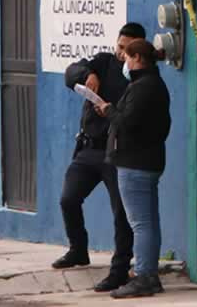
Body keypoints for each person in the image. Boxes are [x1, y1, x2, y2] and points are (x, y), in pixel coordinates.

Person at [56, 23, 146, 293]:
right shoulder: (104, 63)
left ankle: (119, 269)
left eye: (127, 50)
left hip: (116, 152)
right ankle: (78, 249)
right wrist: (89, 74)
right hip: (89, 149)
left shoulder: (138, 78)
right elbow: (71, 72)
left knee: (121, 213)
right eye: (119, 47)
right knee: (68, 198)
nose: (121, 54)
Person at [95, 40, 171, 299]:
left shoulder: (143, 87)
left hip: (135, 163)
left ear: (138, 58)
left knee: (140, 224)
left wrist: (108, 111)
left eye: (127, 57)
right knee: (148, 222)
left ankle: (144, 275)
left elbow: (128, 122)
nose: (124, 63)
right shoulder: (153, 84)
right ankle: (148, 274)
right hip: (147, 162)